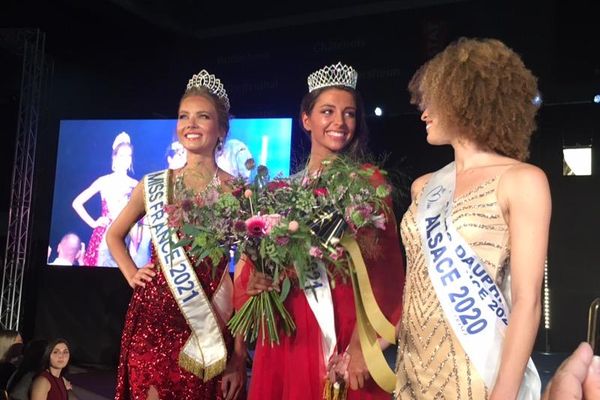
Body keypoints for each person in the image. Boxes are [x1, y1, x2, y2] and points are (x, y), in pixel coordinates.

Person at [235, 62, 406, 399]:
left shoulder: (369, 182)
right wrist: (256, 281)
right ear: (306, 119)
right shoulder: (282, 190)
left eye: (349, 114)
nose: (339, 122)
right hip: (291, 331)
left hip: (345, 327)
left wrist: (363, 344)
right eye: (327, 111)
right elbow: (258, 268)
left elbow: (385, 273)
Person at [394, 37, 551, 400]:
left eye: (434, 100)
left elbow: (528, 301)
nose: (424, 113)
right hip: (412, 367)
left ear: (464, 99)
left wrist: (504, 393)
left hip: (476, 370)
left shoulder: (522, 180)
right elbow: (418, 279)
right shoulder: (424, 187)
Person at [106, 69, 246, 400]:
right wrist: (132, 273)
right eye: (184, 116)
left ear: (221, 129)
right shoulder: (152, 184)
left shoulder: (239, 191)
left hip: (210, 320)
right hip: (153, 321)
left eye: (203, 117)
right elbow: (115, 235)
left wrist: (239, 355)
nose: (191, 124)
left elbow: (251, 272)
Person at [72, 131, 139, 267]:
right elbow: (77, 203)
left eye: (129, 155)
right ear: (114, 158)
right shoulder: (104, 181)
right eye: (121, 155)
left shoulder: (136, 185)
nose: (126, 159)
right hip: (104, 239)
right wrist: (93, 223)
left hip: (127, 238)